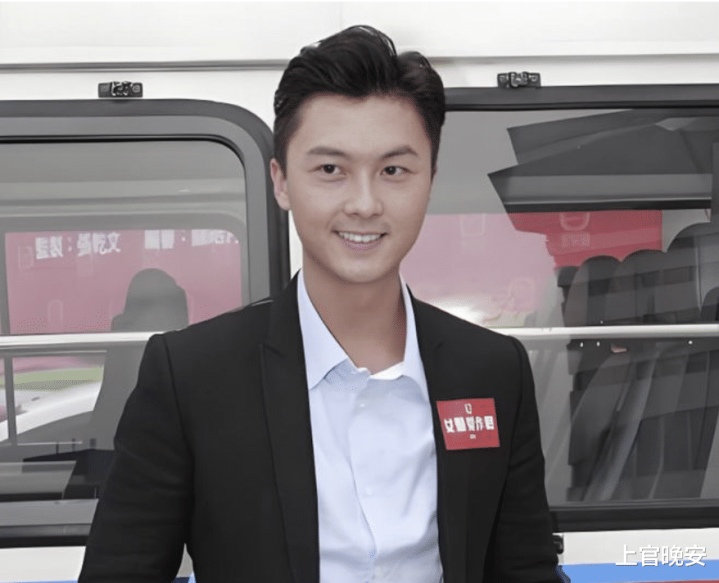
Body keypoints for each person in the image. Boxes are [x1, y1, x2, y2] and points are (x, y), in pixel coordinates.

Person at [79, 25, 560, 583]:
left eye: (394, 170)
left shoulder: (492, 370)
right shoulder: (191, 378)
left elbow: (525, 568)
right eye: (331, 170)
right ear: (281, 181)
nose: (364, 204)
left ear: (430, 180)